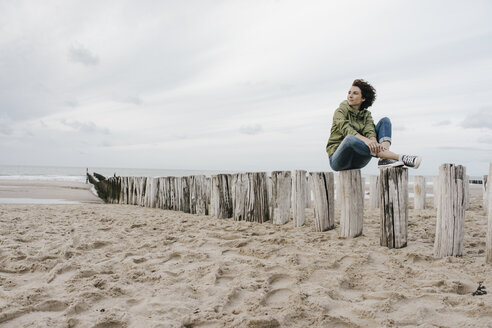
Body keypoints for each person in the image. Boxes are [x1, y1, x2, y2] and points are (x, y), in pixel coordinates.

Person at [326, 79, 422, 171]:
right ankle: (398, 157)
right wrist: (366, 140)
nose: (350, 96)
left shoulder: (366, 115)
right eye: (349, 92)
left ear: (363, 98)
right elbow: (346, 129)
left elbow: (370, 130)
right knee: (349, 139)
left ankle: (384, 159)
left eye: (355, 93)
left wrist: (373, 140)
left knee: (385, 121)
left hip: (359, 159)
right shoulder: (340, 111)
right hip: (338, 160)